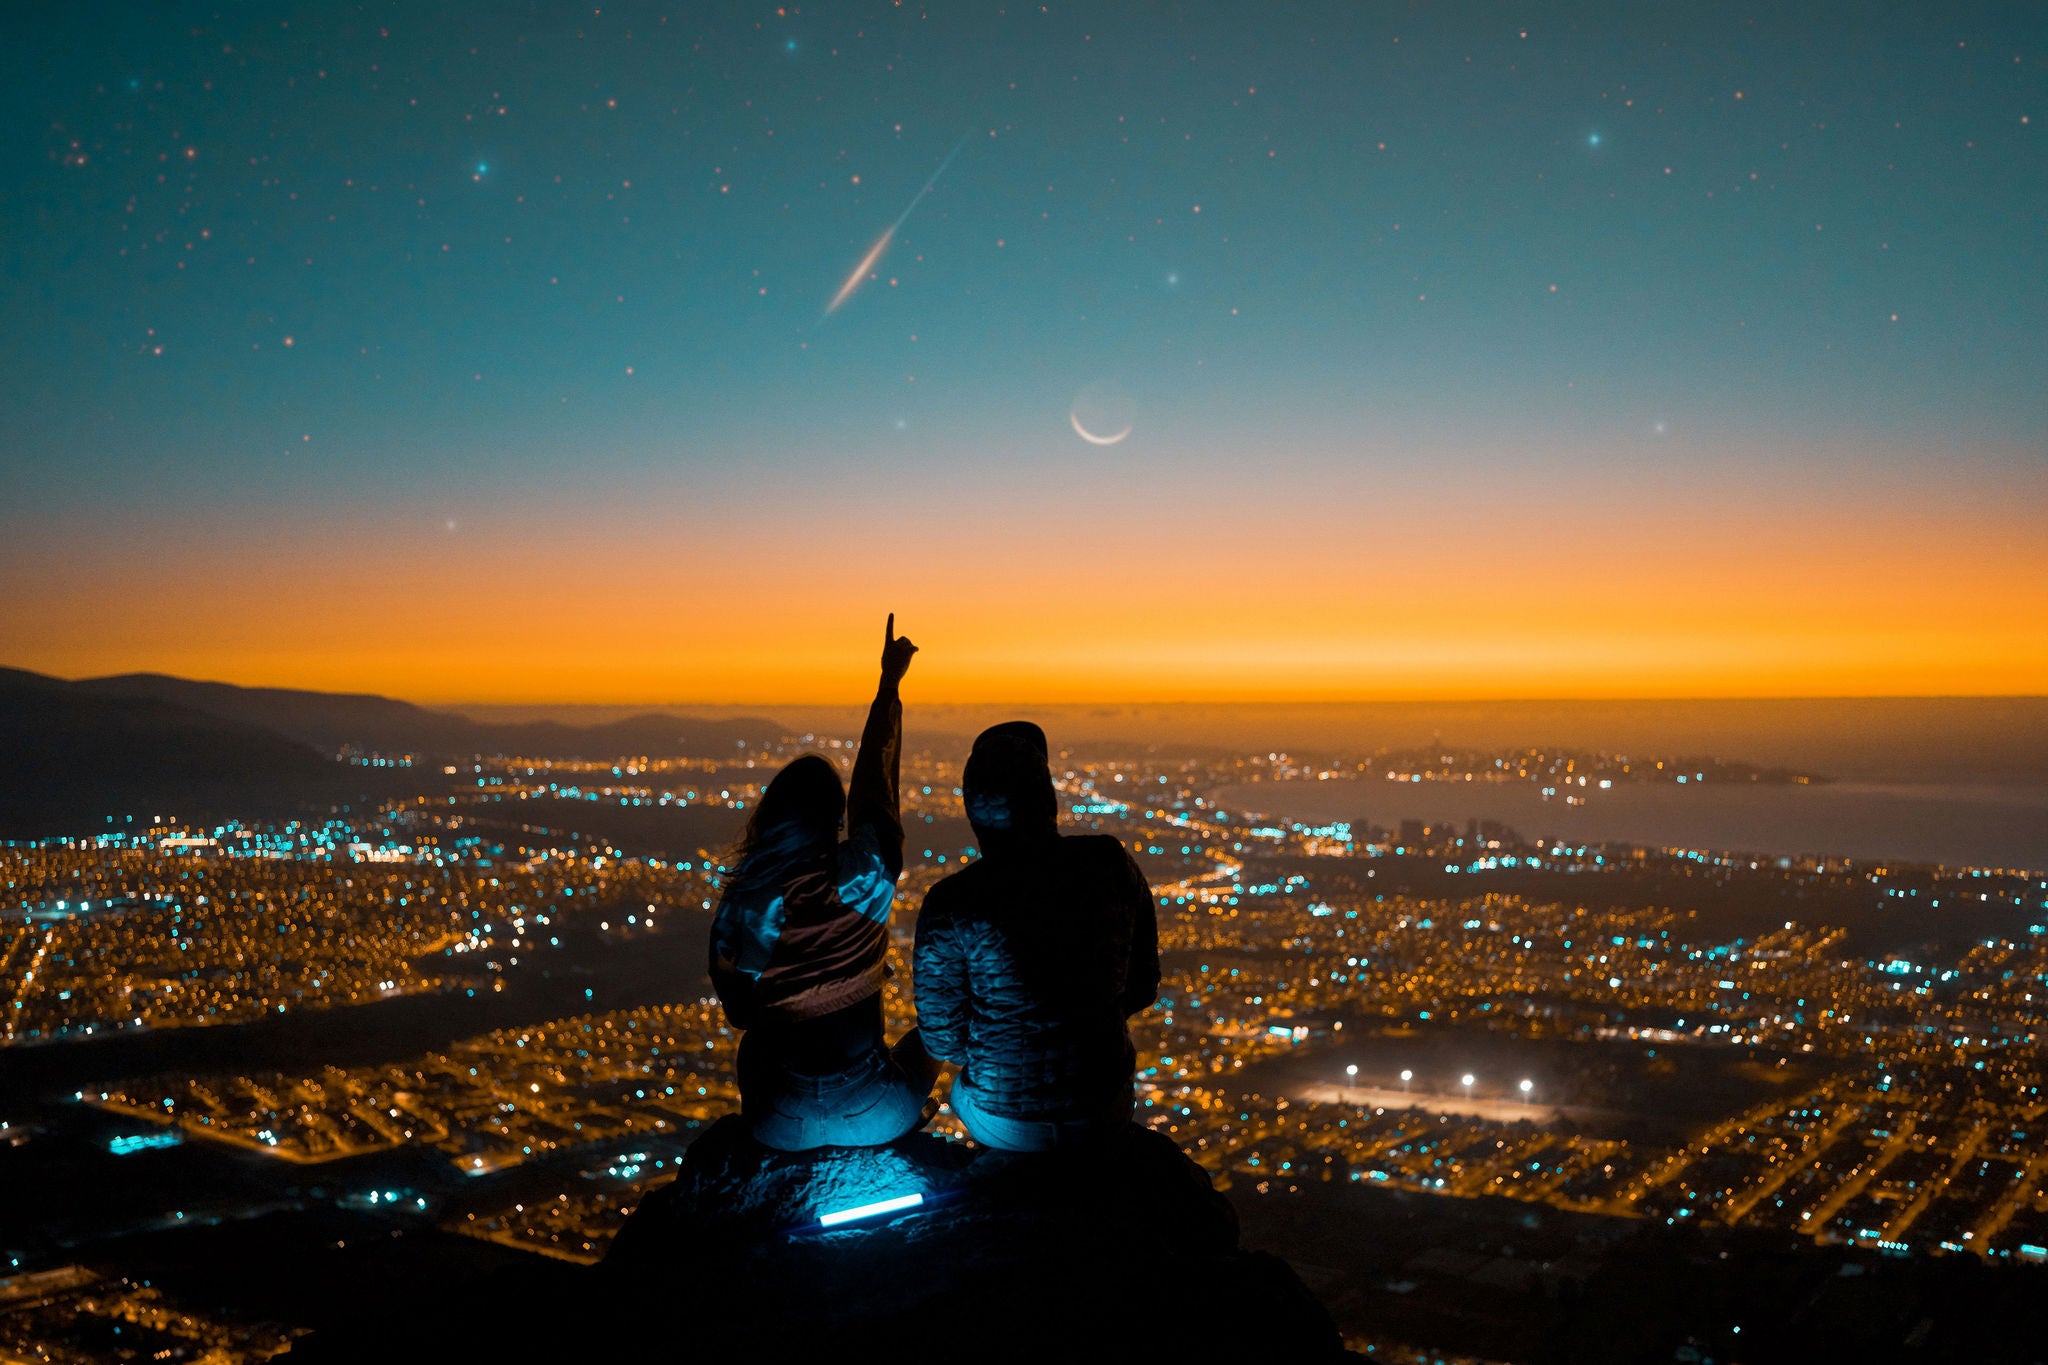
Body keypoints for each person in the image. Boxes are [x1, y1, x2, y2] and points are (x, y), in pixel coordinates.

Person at [709, 614, 938, 1150]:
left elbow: (741, 1013)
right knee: (937, 1035)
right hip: (875, 1109)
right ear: (834, 821)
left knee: (755, 1047)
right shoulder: (866, 876)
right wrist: (889, 687)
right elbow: (876, 794)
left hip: (776, 1121)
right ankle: (912, 1117)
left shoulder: (746, 902)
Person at [913, 721, 1161, 1151]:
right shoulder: (1109, 863)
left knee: (957, 1092)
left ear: (973, 810)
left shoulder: (952, 901)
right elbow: (1142, 985)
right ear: (1047, 797)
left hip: (1005, 1121)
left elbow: (944, 1040)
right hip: (1104, 1106)